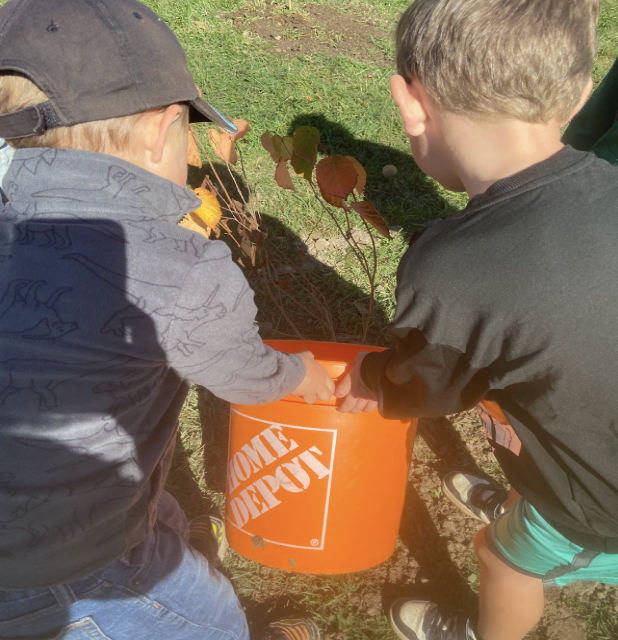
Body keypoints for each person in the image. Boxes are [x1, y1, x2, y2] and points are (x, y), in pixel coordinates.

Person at [0, 1, 333, 639]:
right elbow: (243, 375)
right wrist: (299, 375)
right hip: (70, 564)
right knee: (213, 624)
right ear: (163, 131)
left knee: (156, 513)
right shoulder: (185, 265)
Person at [335, 1, 618, 639]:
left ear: (411, 104)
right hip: (594, 449)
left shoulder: (453, 265)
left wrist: (372, 378)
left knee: (499, 559)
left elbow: (426, 390)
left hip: (593, 511)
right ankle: (518, 501)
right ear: (580, 94)